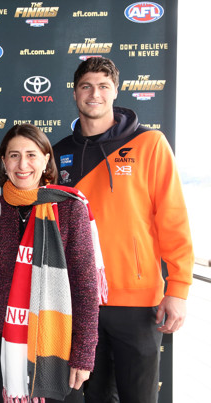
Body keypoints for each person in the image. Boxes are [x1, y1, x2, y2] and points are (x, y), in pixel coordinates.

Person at [53, 57, 194, 403]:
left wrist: (178, 289)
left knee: (140, 397)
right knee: (95, 397)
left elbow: (173, 219)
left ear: (115, 91)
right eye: (86, 86)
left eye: (103, 86)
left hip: (139, 300)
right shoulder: (57, 154)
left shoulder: (150, 144)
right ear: (75, 93)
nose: (94, 94)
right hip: (81, 301)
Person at [0, 124, 100, 403]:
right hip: (0, 335)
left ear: (47, 159)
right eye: (13, 155)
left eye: (31, 155)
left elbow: (86, 287)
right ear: (3, 162)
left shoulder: (69, 207)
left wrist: (84, 354)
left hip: (55, 338)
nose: (22, 164)